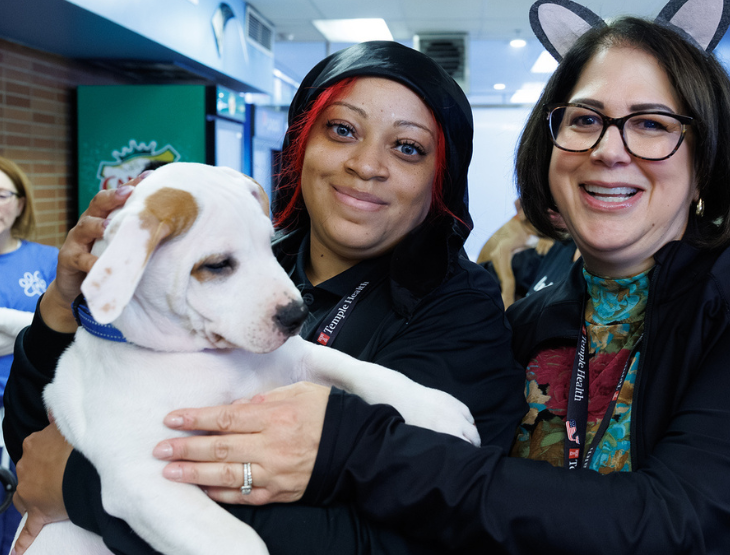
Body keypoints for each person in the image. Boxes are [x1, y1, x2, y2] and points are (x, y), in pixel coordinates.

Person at [98, 0, 730, 554]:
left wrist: (352, 445)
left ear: (707, 159)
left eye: (652, 124)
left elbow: (673, 525)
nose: (609, 148)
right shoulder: (539, 313)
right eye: (584, 119)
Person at [3, 41, 525, 554]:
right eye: (343, 130)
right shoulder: (226, 252)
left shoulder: (457, 309)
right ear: (301, 144)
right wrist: (64, 304)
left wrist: (83, 488)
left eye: (407, 147)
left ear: (441, 177)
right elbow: (33, 449)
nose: (367, 165)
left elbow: (407, 533)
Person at [0, 157, 58, 554]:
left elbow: (68, 329)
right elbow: (42, 328)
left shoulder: (49, 260)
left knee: (21, 511)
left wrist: (16, 328)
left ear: (20, 203)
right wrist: (29, 327)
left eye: (2, 195)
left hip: (31, 409)